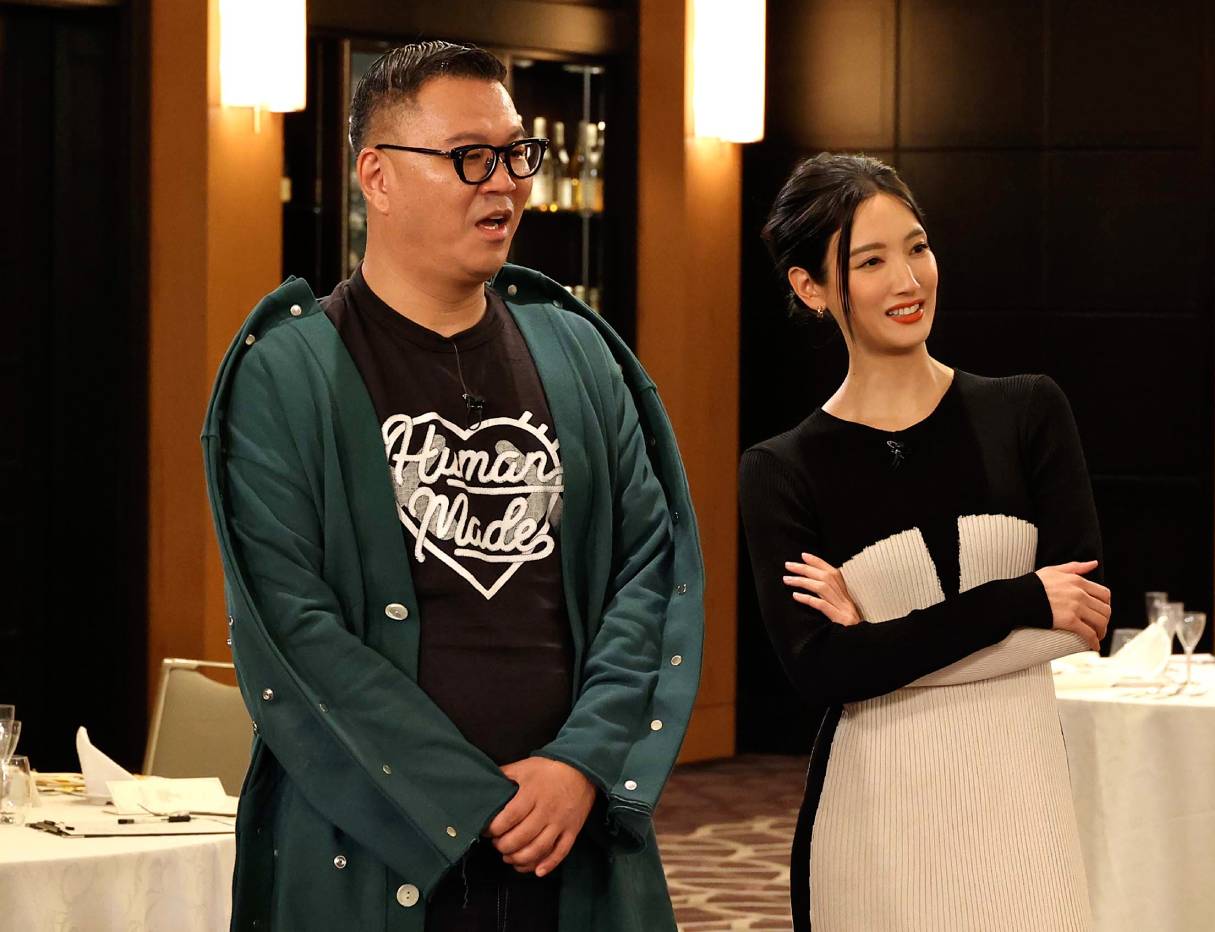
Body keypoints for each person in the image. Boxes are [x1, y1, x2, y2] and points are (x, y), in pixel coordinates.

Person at [202, 41, 703, 932]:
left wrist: (581, 764)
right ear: (377, 176)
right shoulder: (286, 372)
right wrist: (468, 799)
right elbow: (292, 626)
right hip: (367, 843)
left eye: (517, 154)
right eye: (470, 156)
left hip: (570, 832)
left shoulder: (580, 354)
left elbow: (646, 573)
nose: (504, 183)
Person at [738, 153, 1111, 932]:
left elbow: (1081, 622)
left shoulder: (1027, 413)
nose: (908, 280)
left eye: (917, 247)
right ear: (811, 288)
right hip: (874, 814)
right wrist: (1020, 598)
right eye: (871, 261)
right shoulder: (782, 469)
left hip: (1024, 803)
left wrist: (878, 649)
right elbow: (822, 673)